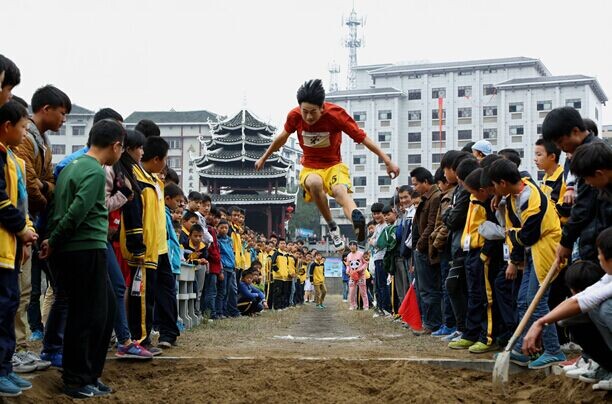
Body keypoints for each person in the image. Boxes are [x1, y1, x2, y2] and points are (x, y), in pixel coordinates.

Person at [255, 79, 399, 250]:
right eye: (305, 111)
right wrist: (264, 157)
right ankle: (332, 226)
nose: (308, 117)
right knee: (315, 183)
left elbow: (363, 138)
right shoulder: (294, 116)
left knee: (340, 191)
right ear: (299, 108)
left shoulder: (336, 115)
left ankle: (357, 219)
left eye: (313, 112)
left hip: (334, 165)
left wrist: (387, 160)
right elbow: (282, 138)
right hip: (310, 167)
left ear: (322, 107)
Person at [39, 119, 124, 398]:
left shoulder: (72, 166)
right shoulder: (95, 172)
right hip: (85, 247)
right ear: (115, 145)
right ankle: (77, 379)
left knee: (103, 309)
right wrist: (56, 239)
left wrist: (54, 238)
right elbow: (76, 212)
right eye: (121, 148)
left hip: (78, 248)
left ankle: (89, 373)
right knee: (87, 315)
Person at [488, 158, 565, 369]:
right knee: (523, 301)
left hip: (546, 251)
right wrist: (498, 196)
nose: (493, 190)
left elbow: (528, 236)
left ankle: (553, 350)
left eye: (494, 185)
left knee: (536, 301)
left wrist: (510, 234)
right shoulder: (516, 190)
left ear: (503, 182)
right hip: (532, 253)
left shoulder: (532, 198)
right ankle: (524, 348)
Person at [523, 228, 612, 390]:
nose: (598, 257)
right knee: (571, 316)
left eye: (600, 253)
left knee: (605, 308)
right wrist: (541, 322)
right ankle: (607, 367)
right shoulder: (609, 277)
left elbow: (584, 301)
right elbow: (581, 297)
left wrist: (540, 323)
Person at [0, 100, 38, 396]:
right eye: (24, 128)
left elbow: (20, 200)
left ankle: (5, 369)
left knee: (10, 305)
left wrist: (26, 232)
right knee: (3, 307)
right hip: (3, 245)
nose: (26, 134)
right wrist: (21, 228)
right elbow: (2, 202)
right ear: (7, 127)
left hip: (12, 247)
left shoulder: (13, 158)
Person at [410, 167, 442, 333]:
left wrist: (420, 246)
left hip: (427, 250)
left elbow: (431, 225)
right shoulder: (427, 198)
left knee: (429, 289)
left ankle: (432, 323)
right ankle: (427, 322)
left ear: (426, 182)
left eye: (416, 185)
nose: (414, 188)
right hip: (422, 249)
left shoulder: (435, 197)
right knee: (423, 289)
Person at [430, 166, 457, 337]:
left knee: (449, 288)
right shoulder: (445, 196)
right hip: (444, 245)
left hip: (448, 246)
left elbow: (446, 223)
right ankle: (449, 323)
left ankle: (451, 324)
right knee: (446, 287)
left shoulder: (450, 196)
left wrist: (436, 242)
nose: (439, 186)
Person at [216, 220, 238, 318]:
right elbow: (219, 256)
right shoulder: (217, 241)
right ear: (218, 229)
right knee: (222, 291)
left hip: (231, 268)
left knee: (228, 291)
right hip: (223, 268)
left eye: (226, 228)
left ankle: (224, 311)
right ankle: (219, 311)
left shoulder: (230, 240)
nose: (224, 230)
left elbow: (231, 253)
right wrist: (220, 269)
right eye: (222, 228)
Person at [345, 241, 368, 310]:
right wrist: (347, 271)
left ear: (356, 246)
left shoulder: (361, 254)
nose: (352, 246)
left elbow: (365, 263)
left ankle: (365, 306)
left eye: (353, 245)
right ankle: (352, 305)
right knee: (351, 292)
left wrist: (360, 270)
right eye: (350, 245)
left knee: (363, 291)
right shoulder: (348, 255)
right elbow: (348, 265)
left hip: (361, 275)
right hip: (352, 276)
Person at [270, 239, 290, 310]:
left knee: (284, 292)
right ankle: (276, 307)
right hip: (278, 277)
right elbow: (272, 263)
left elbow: (287, 265)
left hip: (285, 277)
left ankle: (282, 306)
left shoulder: (286, 254)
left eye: (284, 243)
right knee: (277, 292)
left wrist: (287, 272)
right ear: (278, 245)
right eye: (281, 243)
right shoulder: (276, 253)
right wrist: (278, 271)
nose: (283, 245)